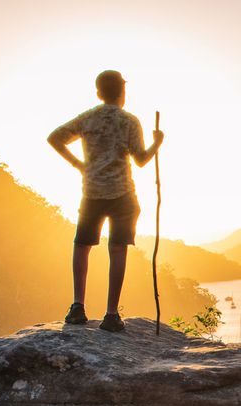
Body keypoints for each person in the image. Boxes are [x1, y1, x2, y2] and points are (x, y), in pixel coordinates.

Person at [48, 70, 163, 332]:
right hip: (122, 193)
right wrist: (157, 143)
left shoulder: (88, 118)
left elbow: (55, 137)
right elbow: (142, 159)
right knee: (118, 249)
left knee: (82, 246)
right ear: (122, 93)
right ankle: (111, 314)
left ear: (99, 93)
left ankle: (78, 306)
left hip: (92, 191)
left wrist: (80, 164)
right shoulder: (129, 121)